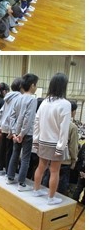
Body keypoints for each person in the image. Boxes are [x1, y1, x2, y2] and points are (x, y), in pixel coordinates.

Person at [32, 73, 72, 205]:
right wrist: (61, 147)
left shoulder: (44, 102)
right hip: (56, 143)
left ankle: (36, 190)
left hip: (43, 140)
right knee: (55, 171)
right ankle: (51, 198)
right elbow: (64, 128)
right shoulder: (65, 104)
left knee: (41, 167)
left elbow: (36, 122)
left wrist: (35, 140)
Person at [7, 73, 39, 191]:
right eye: (36, 85)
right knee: (25, 158)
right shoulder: (32, 99)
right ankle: (21, 183)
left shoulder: (18, 98)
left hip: (16, 133)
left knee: (15, 154)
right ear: (32, 85)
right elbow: (28, 118)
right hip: (27, 133)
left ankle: (10, 177)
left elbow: (12, 116)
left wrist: (14, 132)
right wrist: (22, 133)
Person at [41, 100, 79, 195]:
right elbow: (73, 147)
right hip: (65, 160)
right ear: (73, 111)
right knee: (61, 185)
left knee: (47, 179)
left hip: (51, 156)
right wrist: (74, 160)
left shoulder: (54, 122)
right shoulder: (72, 127)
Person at [0, 77, 23, 176]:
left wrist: (1, 125)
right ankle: (9, 171)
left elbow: (1, 112)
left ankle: (0, 168)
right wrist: (12, 130)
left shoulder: (7, 97)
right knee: (10, 150)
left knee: (2, 148)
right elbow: (15, 114)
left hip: (4, 125)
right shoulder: (19, 98)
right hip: (11, 127)